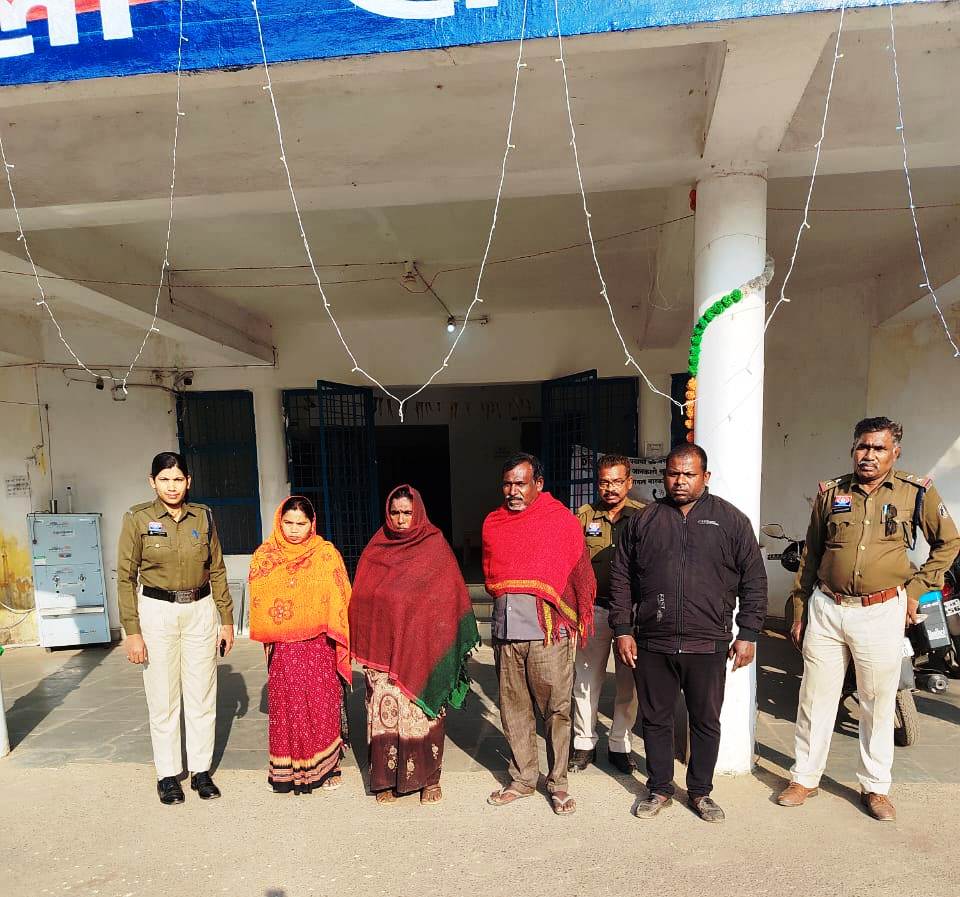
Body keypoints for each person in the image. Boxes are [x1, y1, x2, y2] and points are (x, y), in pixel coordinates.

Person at [777, 417, 960, 821]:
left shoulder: (916, 492)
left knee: (877, 702)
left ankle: (875, 787)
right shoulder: (831, 493)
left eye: (878, 448)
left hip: (881, 611)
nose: (869, 455)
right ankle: (804, 778)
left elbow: (948, 543)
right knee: (814, 698)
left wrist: (917, 590)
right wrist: (799, 608)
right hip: (827, 607)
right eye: (863, 446)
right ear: (853, 449)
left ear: (895, 452)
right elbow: (811, 555)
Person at [609, 443, 767, 823]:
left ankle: (700, 792)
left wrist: (748, 632)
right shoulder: (644, 521)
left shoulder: (731, 521)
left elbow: (754, 580)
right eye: (673, 474)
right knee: (656, 719)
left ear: (705, 477)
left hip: (707, 641)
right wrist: (623, 629)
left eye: (689, 474)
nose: (680, 481)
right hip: (653, 640)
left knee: (705, 721)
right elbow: (621, 578)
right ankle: (660, 787)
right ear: (664, 476)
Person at [350, 485, 479, 805]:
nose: (400, 519)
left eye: (407, 513)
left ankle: (429, 779)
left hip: (424, 649)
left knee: (421, 714)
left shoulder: (434, 547)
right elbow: (362, 597)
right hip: (384, 655)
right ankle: (385, 779)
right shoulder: (377, 548)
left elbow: (450, 597)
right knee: (385, 713)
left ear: (417, 512)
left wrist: (428, 627)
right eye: (395, 513)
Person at [117, 451, 234, 805]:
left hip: (199, 609)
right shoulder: (137, 518)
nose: (172, 486)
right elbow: (125, 578)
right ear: (152, 482)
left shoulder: (204, 516)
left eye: (178, 479)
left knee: (202, 695)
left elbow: (217, 570)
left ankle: (200, 771)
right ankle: (168, 775)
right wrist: (132, 631)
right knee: (163, 697)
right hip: (157, 611)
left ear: (188, 481)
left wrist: (227, 619)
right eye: (164, 479)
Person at [483, 453, 596, 816]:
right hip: (506, 631)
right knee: (513, 709)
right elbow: (492, 576)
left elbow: (578, 572)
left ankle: (558, 783)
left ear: (538, 484)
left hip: (548, 632)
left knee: (556, 710)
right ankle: (522, 779)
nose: (513, 491)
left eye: (521, 483)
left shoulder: (560, 521)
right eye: (507, 484)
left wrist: (572, 616)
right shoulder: (493, 523)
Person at [248, 496, 352, 795]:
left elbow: (341, 594)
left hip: (319, 645)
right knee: (289, 705)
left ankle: (329, 766)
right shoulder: (265, 557)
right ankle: (290, 769)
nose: (294, 530)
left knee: (322, 703)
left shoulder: (325, 554)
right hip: (284, 648)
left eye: (301, 523)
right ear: (279, 522)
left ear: (312, 523)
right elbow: (260, 599)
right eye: (288, 523)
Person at [569, 454, 644, 774]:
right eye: (604, 482)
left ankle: (619, 743)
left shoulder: (644, 516)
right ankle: (584, 743)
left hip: (633, 612)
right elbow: (571, 563)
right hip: (595, 609)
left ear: (629, 482)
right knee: (586, 679)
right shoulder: (584, 516)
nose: (610, 488)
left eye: (617, 481)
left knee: (629, 682)